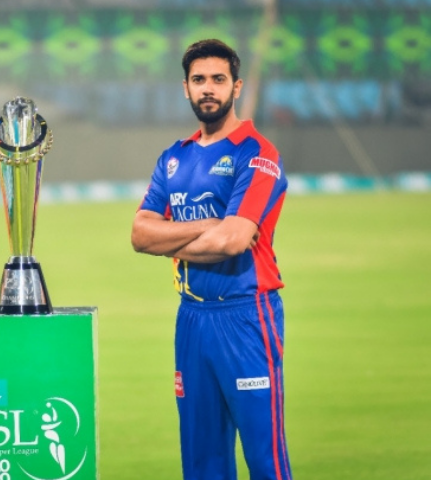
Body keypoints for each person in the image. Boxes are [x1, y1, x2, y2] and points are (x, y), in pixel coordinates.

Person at [131, 39, 291, 480]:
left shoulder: (257, 153)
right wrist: (212, 226)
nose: (208, 89)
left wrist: (170, 240)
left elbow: (233, 241)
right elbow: (140, 234)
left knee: (265, 457)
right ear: (185, 88)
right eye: (198, 80)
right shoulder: (173, 159)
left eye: (218, 80)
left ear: (236, 86)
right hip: (192, 320)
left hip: (246, 317)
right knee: (202, 461)